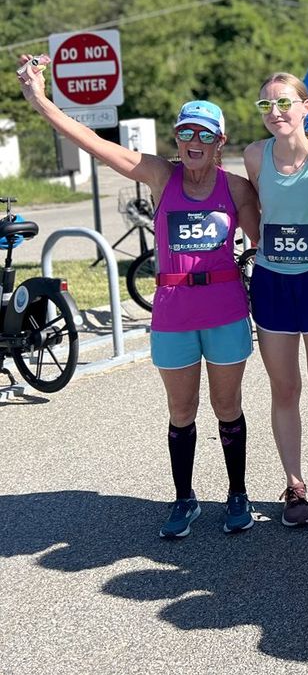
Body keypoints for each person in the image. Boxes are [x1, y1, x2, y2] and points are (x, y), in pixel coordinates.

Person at [17, 55, 259, 539]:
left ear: (220, 142)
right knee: (182, 410)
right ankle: (184, 498)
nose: (194, 143)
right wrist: (39, 98)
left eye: (205, 134)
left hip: (225, 308)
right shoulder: (158, 176)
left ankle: (237, 494)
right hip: (173, 313)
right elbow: (93, 143)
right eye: (186, 133)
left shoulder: (236, 187)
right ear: (176, 138)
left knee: (226, 406)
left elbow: (264, 239)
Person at [243, 72, 308, 526]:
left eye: (284, 103)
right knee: (284, 389)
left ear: (307, 108)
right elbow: (257, 215)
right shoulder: (254, 156)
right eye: (266, 105)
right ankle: (294, 483)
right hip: (272, 284)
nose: (275, 113)